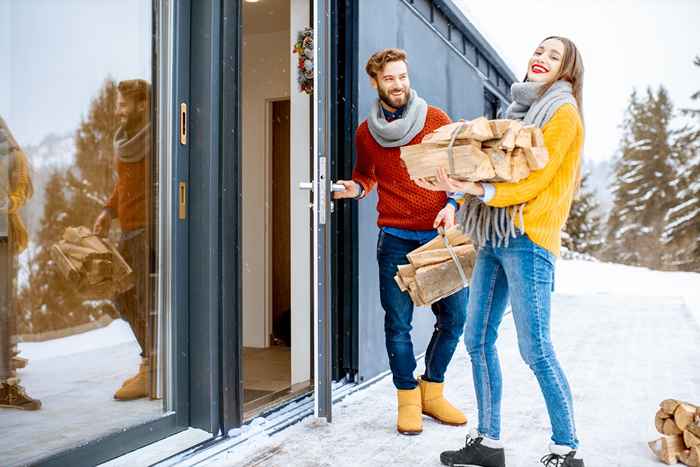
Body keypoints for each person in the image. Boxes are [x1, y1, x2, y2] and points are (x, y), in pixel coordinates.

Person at [417, 37, 586, 467]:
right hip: (493, 237)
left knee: (536, 349)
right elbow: (489, 165)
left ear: (567, 71)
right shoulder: (518, 112)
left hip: (528, 238)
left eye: (553, 56)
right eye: (538, 51)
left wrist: (473, 189)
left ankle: (567, 449)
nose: (540, 58)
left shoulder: (563, 115)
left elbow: (533, 183)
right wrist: (453, 198)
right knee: (476, 339)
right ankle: (489, 443)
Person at [334, 48, 468, 435]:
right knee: (398, 324)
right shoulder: (367, 133)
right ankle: (407, 398)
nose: (398, 85)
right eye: (390, 78)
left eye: (402, 77)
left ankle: (433, 392)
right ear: (376, 83)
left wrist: (453, 203)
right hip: (395, 239)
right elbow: (366, 177)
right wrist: (352, 189)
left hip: (439, 237)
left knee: (454, 318)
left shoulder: (436, 119)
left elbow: (460, 169)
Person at [93, 79, 152, 401]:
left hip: (148, 232)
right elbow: (124, 184)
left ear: (142, 105)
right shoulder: (128, 140)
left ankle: (153, 369)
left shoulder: (158, 138)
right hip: (129, 230)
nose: (117, 111)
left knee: (140, 301)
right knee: (124, 300)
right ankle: (152, 362)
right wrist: (107, 210)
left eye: (122, 105)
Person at [0, 116, 40, 410]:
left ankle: (5, 383)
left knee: (3, 309)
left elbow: (24, 187)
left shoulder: (8, 149)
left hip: (2, 236)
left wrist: (10, 201)